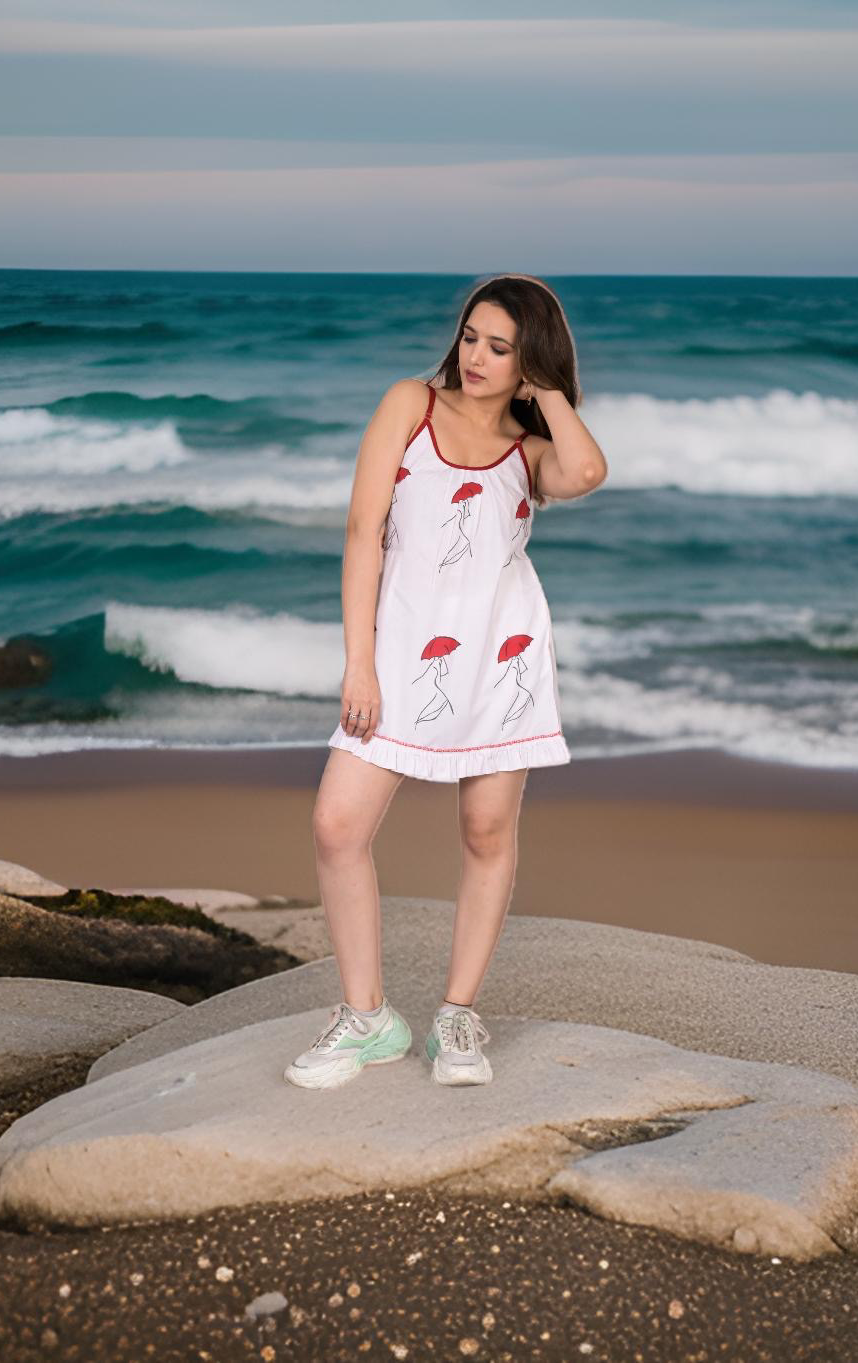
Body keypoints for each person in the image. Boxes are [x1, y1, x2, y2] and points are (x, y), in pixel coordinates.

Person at [285, 274, 608, 1091]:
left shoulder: (528, 454)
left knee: (486, 834)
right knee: (336, 825)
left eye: (500, 347)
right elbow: (364, 532)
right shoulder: (409, 405)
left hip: (502, 659)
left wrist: (547, 393)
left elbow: (588, 470)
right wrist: (358, 659)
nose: (475, 356)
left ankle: (457, 1013)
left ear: (528, 360)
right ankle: (367, 1016)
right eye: (471, 336)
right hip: (399, 655)